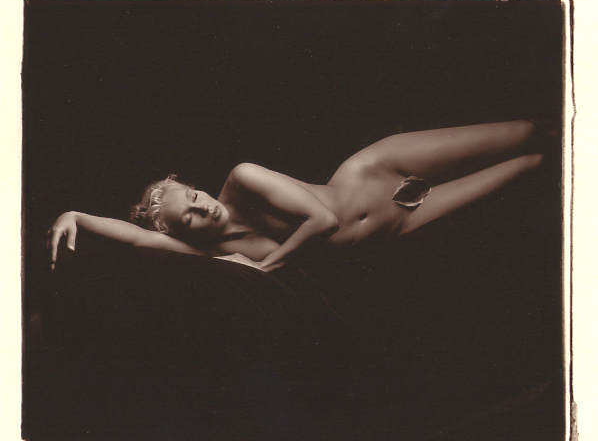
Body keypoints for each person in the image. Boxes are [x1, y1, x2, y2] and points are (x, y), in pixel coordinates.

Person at [47, 121, 550, 272]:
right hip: (396, 225)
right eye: (190, 217)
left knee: (528, 131)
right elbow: (140, 240)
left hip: (378, 172)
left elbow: (323, 221)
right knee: (533, 165)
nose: (202, 206)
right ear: (183, 233)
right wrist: (78, 216)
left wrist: (265, 266)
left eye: (193, 194)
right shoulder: (215, 251)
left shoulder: (243, 178)